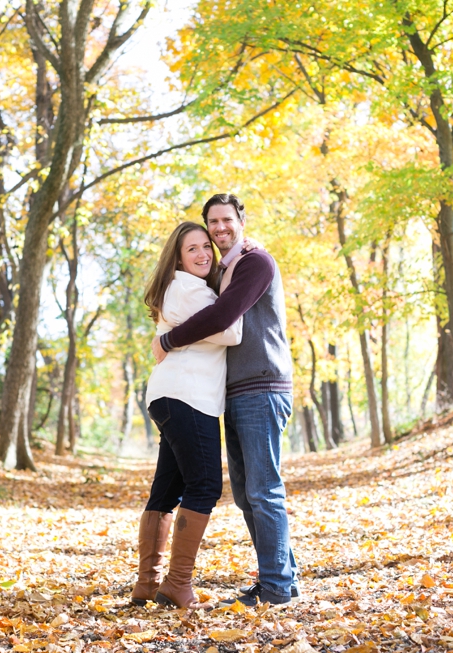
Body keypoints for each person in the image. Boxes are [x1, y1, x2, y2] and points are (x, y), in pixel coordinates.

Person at [152, 193, 298, 607]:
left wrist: (168, 339)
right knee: (249, 492)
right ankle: (282, 578)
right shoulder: (222, 270)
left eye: (226, 220)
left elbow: (220, 318)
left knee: (263, 489)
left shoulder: (255, 262)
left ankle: (275, 586)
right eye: (212, 222)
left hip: (262, 386)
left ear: (240, 220)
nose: (219, 228)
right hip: (233, 392)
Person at [132, 221, 243, 609]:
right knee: (206, 485)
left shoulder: (186, 288)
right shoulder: (188, 287)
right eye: (191, 249)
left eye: (205, 247)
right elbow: (230, 331)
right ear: (177, 259)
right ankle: (178, 583)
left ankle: (147, 584)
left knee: (166, 489)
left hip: (170, 395)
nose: (202, 254)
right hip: (187, 396)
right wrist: (231, 282)